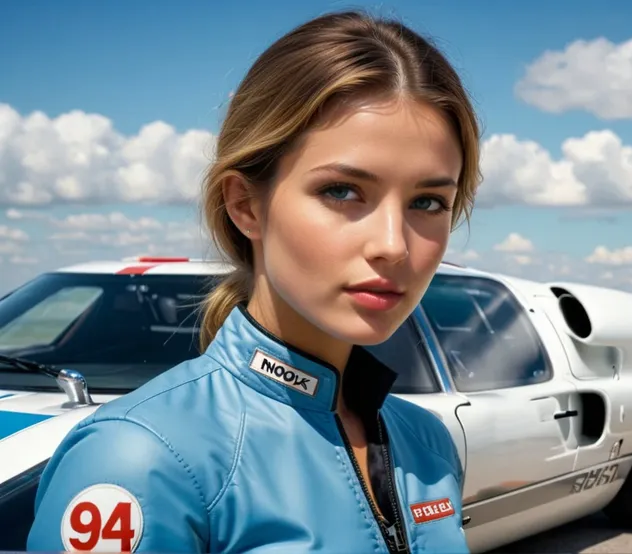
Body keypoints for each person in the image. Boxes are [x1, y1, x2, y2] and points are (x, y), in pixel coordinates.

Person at [26, 9, 481, 553]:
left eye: (428, 202)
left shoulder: (428, 443)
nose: (393, 244)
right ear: (246, 205)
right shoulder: (142, 456)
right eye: (342, 191)